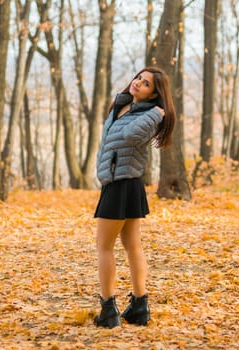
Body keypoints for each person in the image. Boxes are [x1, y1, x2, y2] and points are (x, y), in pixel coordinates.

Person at [93, 67, 176, 328]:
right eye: (138, 78)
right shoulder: (122, 105)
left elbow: (130, 136)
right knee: (131, 244)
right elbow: (107, 141)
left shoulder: (151, 115)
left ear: (154, 95)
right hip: (116, 181)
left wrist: (156, 113)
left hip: (123, 184)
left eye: (146, 83)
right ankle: (139, 306)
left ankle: (108, 310)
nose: (138, 83)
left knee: (104, 247)